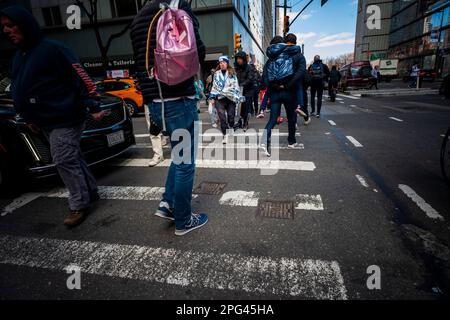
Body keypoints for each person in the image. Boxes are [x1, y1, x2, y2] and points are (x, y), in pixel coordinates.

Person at [0, 6, 106, 228]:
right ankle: (90, 191)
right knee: (72, 156)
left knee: (63, 159)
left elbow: (82, 78)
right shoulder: (18, 57)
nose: (7, 31)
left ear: (25, 24)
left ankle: (79, 204)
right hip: (43, 120)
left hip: (67, 116)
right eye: (3, 27)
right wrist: (29, 116)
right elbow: (20, 88)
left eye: (11, 25)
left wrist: (94, 104)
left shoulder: (54, 49)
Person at [130, 0, 208, 236]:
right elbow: (197, 52)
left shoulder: (139, 18)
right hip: (179, 100)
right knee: (185, 164)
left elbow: (140, 65)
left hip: (155, 102)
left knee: (178, 156)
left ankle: (168, 203)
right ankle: (184, 220)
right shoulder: (178, 7)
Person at [260, 36, 306, 157]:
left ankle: (264, 142)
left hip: (274, 92)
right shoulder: (294, 54)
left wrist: (273, 86)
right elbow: (301, 73)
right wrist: (288, 85)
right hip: (289, 92)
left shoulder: (270, 59)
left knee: (272, 120)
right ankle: (291, 141)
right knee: (291, 118)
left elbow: (264, 79)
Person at [209, 56, 241, 144]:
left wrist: (226, 91)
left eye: (224, 62)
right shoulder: (216, 74)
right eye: (220, 63)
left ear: (227, 63)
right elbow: (214, 86)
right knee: (222, 118)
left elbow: (235, 85)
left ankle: (231, 127)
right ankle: (225, 135)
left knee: (231, 117)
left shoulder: (232, 73)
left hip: (230, 98)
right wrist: (212, 97)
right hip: (219, 99)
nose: (222, 64)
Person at [284, 33, 310, 125]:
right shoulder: (300, 56)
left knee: (291, 106)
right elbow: (302, 71)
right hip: (298, 83)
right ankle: (301, 111)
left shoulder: (284, 55)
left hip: (288, 85)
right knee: (296, 104)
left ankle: (294, 122)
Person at [235, 51, 257, 131]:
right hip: (238, 90)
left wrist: (242, 84)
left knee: (246, 107)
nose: (238, 60)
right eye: (237, 59)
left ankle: (246, 123)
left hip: (248, 90)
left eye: (240, 59)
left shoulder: (249, 68)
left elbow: (250, 78)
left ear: (243, 59)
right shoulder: (236, 68)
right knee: (238, 107)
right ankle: (240, 121)